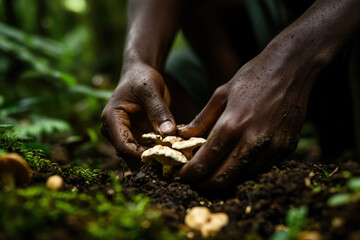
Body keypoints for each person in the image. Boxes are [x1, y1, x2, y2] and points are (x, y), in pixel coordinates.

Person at [101, 0, 360, 190]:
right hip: (264, 29)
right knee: (175, 76)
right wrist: (139, 60)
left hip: (336, 25)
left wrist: (290, 63)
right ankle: (224, 142)